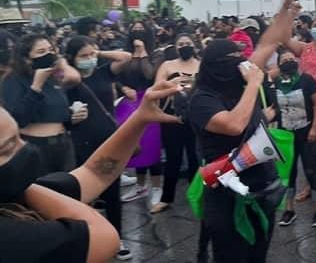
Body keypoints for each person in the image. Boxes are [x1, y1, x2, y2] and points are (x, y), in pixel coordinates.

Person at [0, 80, 182, 263]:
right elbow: (101, 238)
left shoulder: (11, 194)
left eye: (19, 138)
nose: (25, 149)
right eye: (7, 148)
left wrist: (140, 118)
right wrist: (29, 188)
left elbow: (94, 174)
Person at [189, 0, 295, 263]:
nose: (239, 64)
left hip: (261, 185)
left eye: (240, 58)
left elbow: (270, 41)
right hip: (226, 192)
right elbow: (234, 125)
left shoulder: (240, 74)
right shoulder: (201, 99)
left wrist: (285, 10)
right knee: (231, 255)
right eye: (232, 60)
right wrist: (252, 85)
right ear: (213, 67)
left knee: (259, 253)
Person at [64, 35, 133, 260]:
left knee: (113, 191)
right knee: (83, 193)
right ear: (72, 59)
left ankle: (116, 237)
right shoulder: (67, 81)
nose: (89, 59)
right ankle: (88, 238)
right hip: (81, 144)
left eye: (91, 54)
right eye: (83, 56)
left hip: (108, 141)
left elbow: (126, 56)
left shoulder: (103, 71)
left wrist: (97, 53)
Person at [1, 34, 81, 175]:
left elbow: (60, 113)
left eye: (50, 50)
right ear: (26, 58)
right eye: (41, 52)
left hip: (63, 144)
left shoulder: (53, 78)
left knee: (67, 188)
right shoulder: (14, 80)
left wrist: (74, 117)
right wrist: (36, 86)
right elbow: (19, 118)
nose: (48, 55)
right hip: (36, 145)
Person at [268, 49, 316, 228]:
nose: (288, 61)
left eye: (291, 59)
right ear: (279, 64)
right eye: (284, 60)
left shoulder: (307, 80)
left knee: (310, 171)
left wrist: (315, 127)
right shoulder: (276, 83)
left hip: (308, 133)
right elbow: (274, 108)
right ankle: (289, 209)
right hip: (286, 135)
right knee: (288, 173)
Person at [150, 33, 201, 214]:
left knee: (195, 157)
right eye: (181, 44)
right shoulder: (167, 65)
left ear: (194, 45)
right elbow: (155, 88)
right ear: (175, 46)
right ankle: (166, 198)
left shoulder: (200, 64)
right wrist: (171, 83)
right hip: (172, 116)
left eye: (188, 43)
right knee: (173, 158)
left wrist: (193, 85)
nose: (184, 46)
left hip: (195, 117)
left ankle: (198, 194)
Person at [118, 22, 163, 206]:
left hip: (150, 101)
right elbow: (116, 78)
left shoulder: (157, 54)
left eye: (141, 29)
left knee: (152, 145)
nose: (137, 32)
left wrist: (142, 51)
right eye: (134, 29)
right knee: (136, 145)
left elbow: (149, 74)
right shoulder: (125, 54)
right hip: (129, 103)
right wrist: (123, 88)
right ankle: (140, 185)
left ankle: (157, 187)